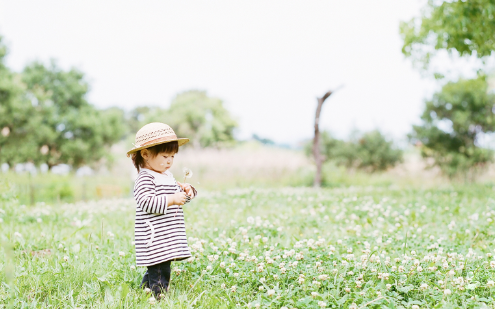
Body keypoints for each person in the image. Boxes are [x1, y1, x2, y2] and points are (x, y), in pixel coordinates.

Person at [126, 122, 197, 299]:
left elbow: (178, 198)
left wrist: (188, 192)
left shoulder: (167, 176)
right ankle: (159, 296)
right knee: (159, 266)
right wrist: (171, 199)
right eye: (165, 156)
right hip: (154, 234)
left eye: (172, 156)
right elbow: (146, 202)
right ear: (145, 154)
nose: (169, 161)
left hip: (167, 232)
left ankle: (146, 290)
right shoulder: (145, 178)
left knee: (161, 264)